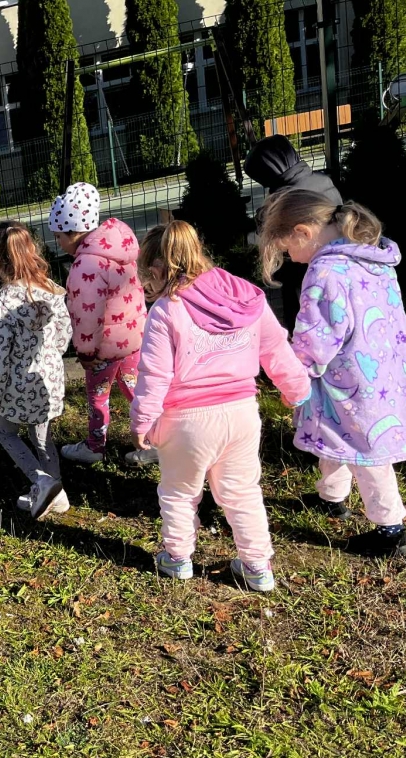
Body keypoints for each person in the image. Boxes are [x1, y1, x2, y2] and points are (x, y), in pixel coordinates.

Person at [131, 222, 312, 592]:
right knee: (243, 491)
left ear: (156, 271)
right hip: (242, 413)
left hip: (185, 420)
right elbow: (276, 347)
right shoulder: (246, 296)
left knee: (180, 491)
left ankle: (178, 559)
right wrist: (297, 390)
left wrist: (142, 421)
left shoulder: (166, 310)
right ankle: (258, 567)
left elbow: (154, 373)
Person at [258, 190, 406, 558]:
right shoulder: (372, 259)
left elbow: (317, 335)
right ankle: (331, 496)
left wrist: (296, 373)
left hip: (349, 380)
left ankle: (391, 529)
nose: (289, 258)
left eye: (286, 249)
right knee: (334, 433)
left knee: (367, 450)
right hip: (381, 369)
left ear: (302, 232)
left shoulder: (325, 271)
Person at [48, 182, 152, 466]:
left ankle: (95, 446)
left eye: (58, 237)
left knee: (98, 397)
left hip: (102, 351)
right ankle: (155, 440)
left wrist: (85, 352)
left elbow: (86, 316)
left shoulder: (86, 266)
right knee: (138, 391)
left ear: (73, 232)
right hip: (133, 339)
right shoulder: (121, 251)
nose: (58, 243)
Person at [0, 221, 72, 520]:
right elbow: (63, 337)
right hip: (48, 381)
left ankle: (42, 482)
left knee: (5, 432)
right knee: (42, 437)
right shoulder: (51, 291)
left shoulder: (3, 303)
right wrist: (49, 359)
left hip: (18, 387)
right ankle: (58, 496)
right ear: (32, 250)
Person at [245, 136, 342, 332]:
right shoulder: (323, 180)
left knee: (297, 301)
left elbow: (265, 228)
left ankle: (296, 331)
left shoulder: (284, 198)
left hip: (303, 261)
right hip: (336, 251)